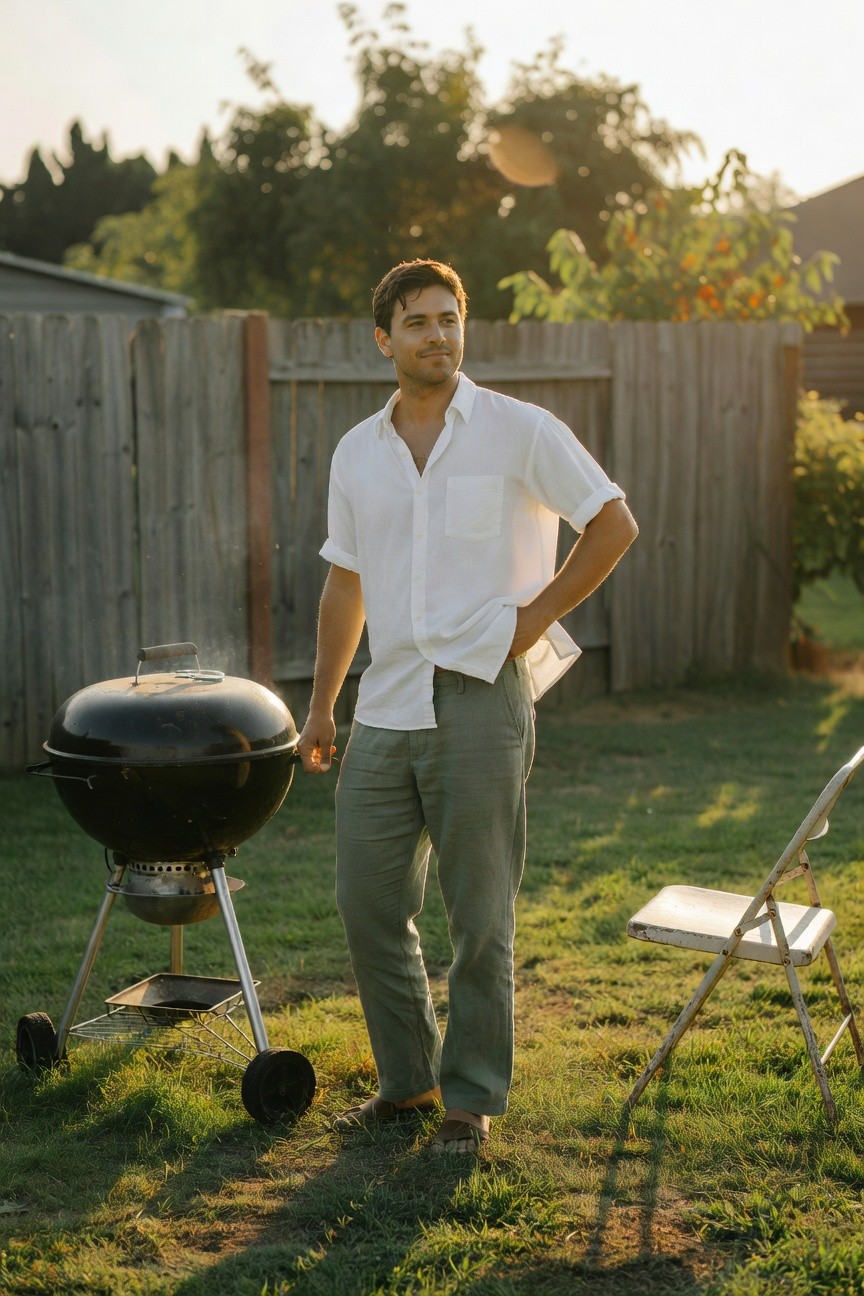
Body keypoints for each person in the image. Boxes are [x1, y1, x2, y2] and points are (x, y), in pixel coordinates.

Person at [297, 259, 637, 1154]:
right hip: (385, 706)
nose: (437, 335)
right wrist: (325, 704)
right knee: (368, 905)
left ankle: (470, 1098)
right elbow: (346, 582)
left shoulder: (519, 430)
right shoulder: (356, 452)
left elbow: (612, 522)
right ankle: (407, 1084)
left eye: (450, 318)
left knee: (480, 917)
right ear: (385, 340)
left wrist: (534, 619)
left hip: (484, 701)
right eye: (417, 322)